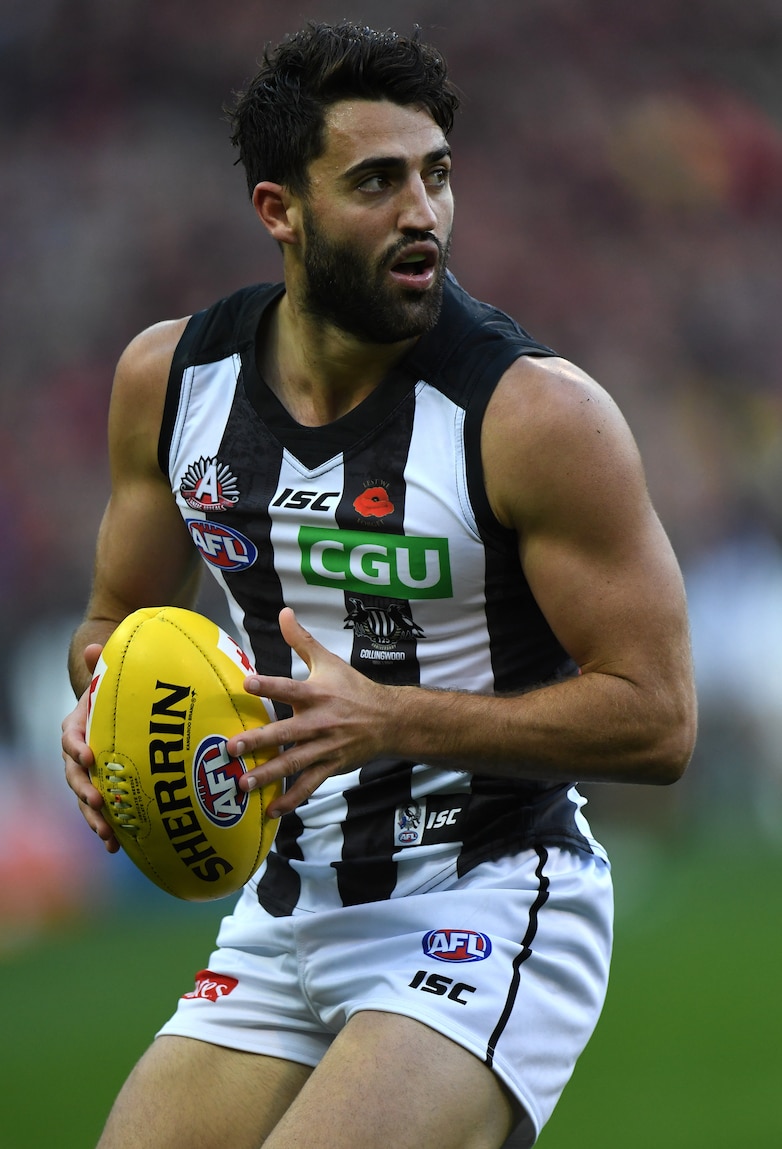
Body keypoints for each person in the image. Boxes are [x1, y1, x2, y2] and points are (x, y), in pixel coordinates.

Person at [62, 20, 696, 1149]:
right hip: (283, 903)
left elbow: (657, 721)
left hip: (486, 894)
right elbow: (114, 624)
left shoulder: (537, 416)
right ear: (280, 210)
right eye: (376, 181)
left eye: (436, 174)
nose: (423, 213)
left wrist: (390, 717)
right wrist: (99, 705)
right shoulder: (170, 381)